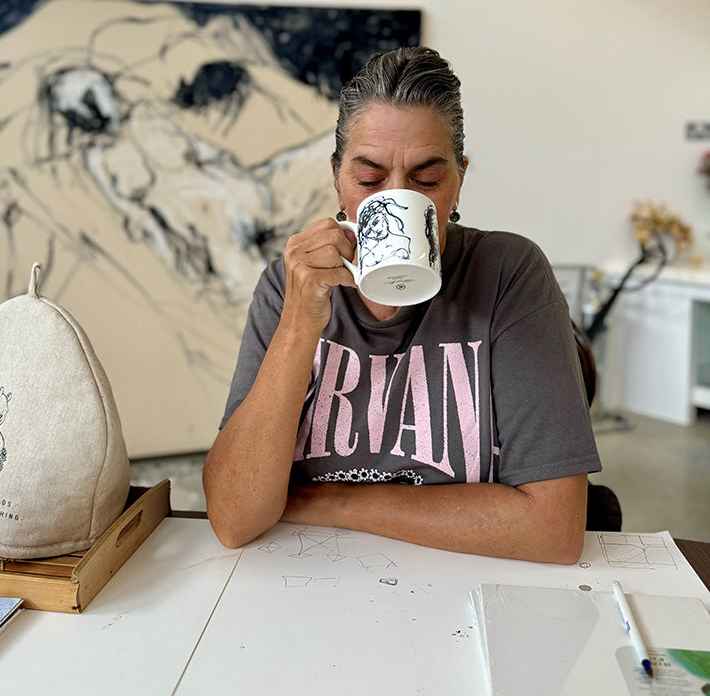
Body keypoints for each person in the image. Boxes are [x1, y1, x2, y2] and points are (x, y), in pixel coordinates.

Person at [203, 46, 601, 563]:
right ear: (337, 178)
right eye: (368, 180)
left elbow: (553, 529)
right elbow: (234, 519)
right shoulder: (289, 285)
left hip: (462, 581)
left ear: (459, 179)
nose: (394, 198)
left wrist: (330, 501)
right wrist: (300, 324)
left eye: (427, 181)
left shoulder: (508, 273)